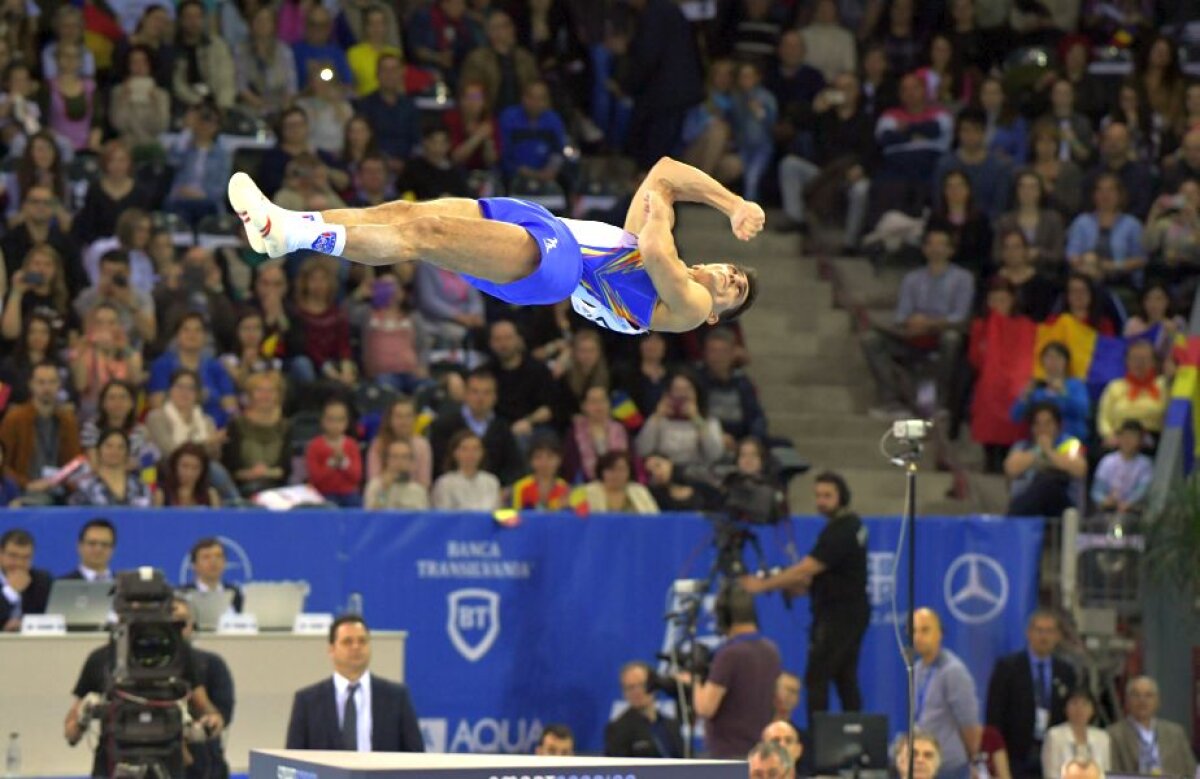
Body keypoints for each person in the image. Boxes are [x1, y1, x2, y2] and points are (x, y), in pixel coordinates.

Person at [228, 153, 763, 337]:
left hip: (557, 268)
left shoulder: (691, 309)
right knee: (408, 213)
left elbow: (656, 248)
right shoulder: (630, 240)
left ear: (718, 314)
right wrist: (732, 204)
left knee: (425, 236)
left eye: (735, 293)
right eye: (736, 272)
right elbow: (666, 171)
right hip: (543, 225)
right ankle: (285, 222)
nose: (731, 279)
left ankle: (295, 236)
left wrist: (662, 206)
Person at [741, 472, 868, 723]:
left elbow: (807, 568)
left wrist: (762, 584)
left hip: (840, 616)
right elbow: (823, 576)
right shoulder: (843, 527)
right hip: (842, 612)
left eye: (827, 495)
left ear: (842, 496)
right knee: (845, 678)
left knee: (817, 677)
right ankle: (856, 738)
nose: (821, 501)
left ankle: (818, 746)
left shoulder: (843, 529)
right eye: (818, 495)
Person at [64, 595, 229, 778]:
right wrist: (83, 715)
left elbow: (209, 713)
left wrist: (207, 725)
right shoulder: (102, 658)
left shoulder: (180, 657)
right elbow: (71, 734)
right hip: (113, 762)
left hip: (169, 762)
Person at [860, 227, 974, 419]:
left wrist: (930, 323)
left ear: (950, 250)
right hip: (912, 335)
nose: (936, 249)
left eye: (941, 244)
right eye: (931, 244)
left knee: (951, 338)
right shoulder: (912, 279)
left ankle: (939, 402)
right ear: (924, 249)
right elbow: (901, 315)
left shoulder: (963, 278)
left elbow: (960, 316)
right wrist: (911, 322)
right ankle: (892, 402)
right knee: (870, 339)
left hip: (942, 334)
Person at [285, 614, 424, 752]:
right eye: (347, 642)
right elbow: (292, 763)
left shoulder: (396, 697)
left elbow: (416, 756)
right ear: (331, 649)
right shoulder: (308, 701)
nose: (356, 647)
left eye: (362, 641)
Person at [687, 582, 781, 759]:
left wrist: (697, 677)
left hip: (727, 756)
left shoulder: (729, 655)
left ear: (723, 617)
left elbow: (706, 708)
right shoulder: (771, 651)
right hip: (759, 755)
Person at [985, 610, 1078, 779]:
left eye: (1049, 631)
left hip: (1054, 754)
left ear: (1057, 636)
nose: (1044, 636)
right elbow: (995, 714)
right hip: (1016, 755)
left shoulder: (1066, 671)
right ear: (1028, 633)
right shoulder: (1008, 667)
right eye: (1039, 630)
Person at [622, 0, 704, 171]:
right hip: (679, 94)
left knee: (657, 157)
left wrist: (628, 85)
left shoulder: (654, 14)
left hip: (665, 98)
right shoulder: (669, 10)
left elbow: (647, 57)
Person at [911, 608, 983, 779]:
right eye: (914, 631)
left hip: (949, 765)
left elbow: (970, 725)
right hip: (925, 763)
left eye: (925, 630)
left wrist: (971, 759)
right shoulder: (917, 669)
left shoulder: (953, 671)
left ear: (939, 634)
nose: (918, 636)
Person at [0, 362, 82, 500]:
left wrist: (66, 483)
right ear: (31, 385)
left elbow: (74, 461)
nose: (46, 387)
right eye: (41, 382)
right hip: (25, 491)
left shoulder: (69, 421)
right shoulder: (15, 419)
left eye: (52, 382)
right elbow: (3, 464)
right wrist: (27, 484)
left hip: (61, 490)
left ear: (59, 385)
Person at [430, 368, 523, 484]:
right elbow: (438, 465)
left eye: (487, 393)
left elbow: (514, 466)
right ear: (465, 394)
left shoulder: (502, 427)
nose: (480, 398)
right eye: (475, 392)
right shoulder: (445, 425)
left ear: (495, 397)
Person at [1005, 403, 1087, 518]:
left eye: (1048, 424)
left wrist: (1049, 451)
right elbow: (1011, 468)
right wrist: (1038, 451)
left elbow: (1079, 469)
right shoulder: (1022, 447)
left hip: (1062, 508)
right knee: (1039, 484)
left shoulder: (1070, 444)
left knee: (1048, 482)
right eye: (1037, 424)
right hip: (1027, 508)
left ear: (1058, 426)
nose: (1042, 429)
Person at [1107, 676, 1196, 778]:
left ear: (1158, 701)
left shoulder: (1176, 733)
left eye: (1148, 695)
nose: (1142, 701)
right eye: (1136, 695)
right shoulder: (1114, 734)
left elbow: (1191, 771)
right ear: (1127, 701)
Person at [1010, 342, 1090, 446]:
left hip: (1070, 439)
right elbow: (1016, 417)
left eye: (1058, 357)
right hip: (1038, 441)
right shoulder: (1037, 387)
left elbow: (1083, 411)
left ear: (1066, 362)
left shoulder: (1075, 385)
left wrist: (1063, 393)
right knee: (1017, 450)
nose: (1053, 362)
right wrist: (1025, 396)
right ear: (1042, 361)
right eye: (1049, 357)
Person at [487, 319, 555, 440]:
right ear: (491, 343)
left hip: (532, 427)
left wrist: (528, 421)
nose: (503, 344)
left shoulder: (538, 369)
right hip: (496, 429)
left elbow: (549, 408)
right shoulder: (486, 372)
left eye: (508, 338)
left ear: (518, 340)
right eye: (498, 339)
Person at [604, 660, 684, 758]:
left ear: (654, 685)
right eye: (630, 687)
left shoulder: (672, 725)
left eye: (642, 684)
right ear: (624, 693)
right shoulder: (617, 730)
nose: (637, 691)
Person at [1096, 341, 1166, 448]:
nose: (1138, 363)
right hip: (1119, 440)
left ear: (1154, 362)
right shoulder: (1114, 386)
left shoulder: (1163, 385)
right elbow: (1104, 418)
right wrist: (1109, 436)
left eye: (1144, 359)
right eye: (1134, 359)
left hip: (1152, 441)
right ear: (1127, 362)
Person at [305, 398, 364, 508]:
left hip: (348, 494)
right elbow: (315, 478)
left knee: (356, 502)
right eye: (330, 419)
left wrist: (343, 462)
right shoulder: (314, 446)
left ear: (346, 422)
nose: (335, 424)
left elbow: (357, 476)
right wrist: (332, 463)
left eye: (340, 420)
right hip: (324, 493)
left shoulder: (351, 445)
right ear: (323, 421)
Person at [70, 429, 152, 507]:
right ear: (99, 450)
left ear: (127, 452)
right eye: (109, 446)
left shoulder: (140, 486)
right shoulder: (85, 486)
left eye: (121, 447)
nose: (114, 451)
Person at [1042, 689, 1112, 778]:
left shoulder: (1102, 738)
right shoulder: (1054, 736)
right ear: (1065, 708)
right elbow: (1051, 775)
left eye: (1085, 704)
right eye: (1074, 703)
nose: (1079, 709)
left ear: (1093, 710)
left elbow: (1106, 773)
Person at [1091, 420, 1153, 514]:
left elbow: (1142, 490)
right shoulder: (1107, 461)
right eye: (1125, 436)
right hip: (1108, 511)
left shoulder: (1145, 464)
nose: (1128, 441)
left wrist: (1129, 503)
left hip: (1132, 512)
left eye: (1132, 437)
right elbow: (1096, 490)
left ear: (1140, 440)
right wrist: (1105, 500)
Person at [431, 430, 502, 511]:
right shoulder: (444, 483)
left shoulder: (491, 481)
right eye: (464, 449)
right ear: (455, 453)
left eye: (476, 449)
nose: (470, 454)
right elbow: (443, 516)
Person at [0, 528, 52, 629]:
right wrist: (10, 592)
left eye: (25, 557)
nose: (19, 563)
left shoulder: (42, 581)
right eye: (13, 556)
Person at [577, 449, 658, 514]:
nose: (616, 474)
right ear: (601, 471)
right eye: (611, 469)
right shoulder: (586, 492)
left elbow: (654, 520)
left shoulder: (640, 491)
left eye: (621, 469)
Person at [180, 537, 244, 613]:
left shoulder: (235, 594)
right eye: (206, 557)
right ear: (194, 565)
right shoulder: (182, 595)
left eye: (218, 556)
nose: (213, 561)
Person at [364, 438, 430, 510]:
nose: (399, 461)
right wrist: (384, 489)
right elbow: (372, 517)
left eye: (404, 457)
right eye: (395, 456)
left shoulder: (418, 490)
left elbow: (424, 518)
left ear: (411, 462)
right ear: (387, 460)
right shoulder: (376, 485)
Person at [510, 437, 571, 510]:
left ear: (559, 460)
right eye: (538, 457)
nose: (544, 463)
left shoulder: (564, 488)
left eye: (550, 457)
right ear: (531, 461)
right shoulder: (521, 487)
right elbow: (518, 517)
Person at [156, 442, 221, 507]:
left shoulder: (210, 495)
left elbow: (217, 516)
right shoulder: (161, 494)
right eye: (185, 466)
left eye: (195, 468)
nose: (189, 473)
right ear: (175, 466)